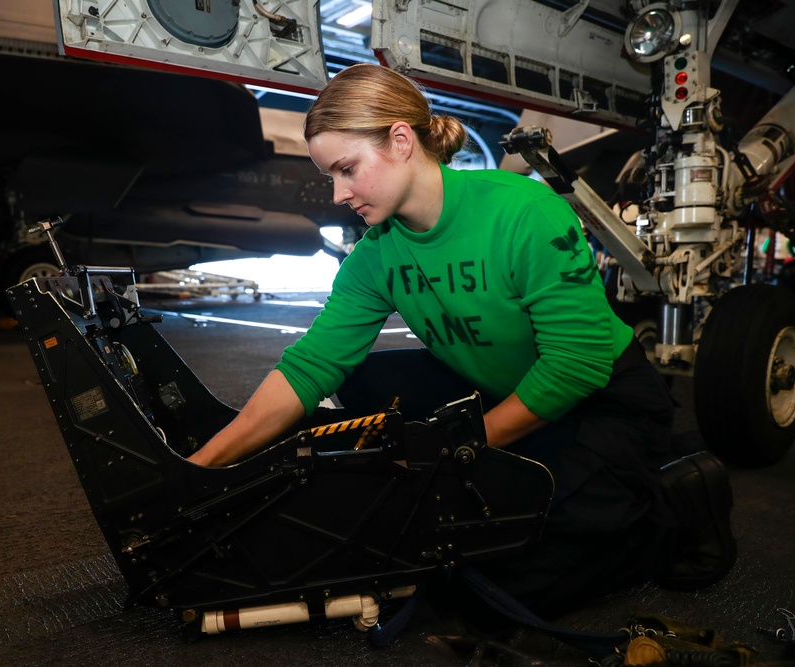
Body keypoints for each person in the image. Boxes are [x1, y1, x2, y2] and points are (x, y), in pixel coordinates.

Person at [187, 63, 734, 623]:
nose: (338, 194)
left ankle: (673, 502)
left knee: (497, 589)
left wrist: (455, 454)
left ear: (401, 141)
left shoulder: (523, 212)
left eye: (346, 169)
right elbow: (311, 366)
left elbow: (576, 366)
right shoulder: (376, 253)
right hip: (500, 391)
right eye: (331, 175)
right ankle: (536, 473)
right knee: (361, 384)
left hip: (605, 398)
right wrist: (201, 469)